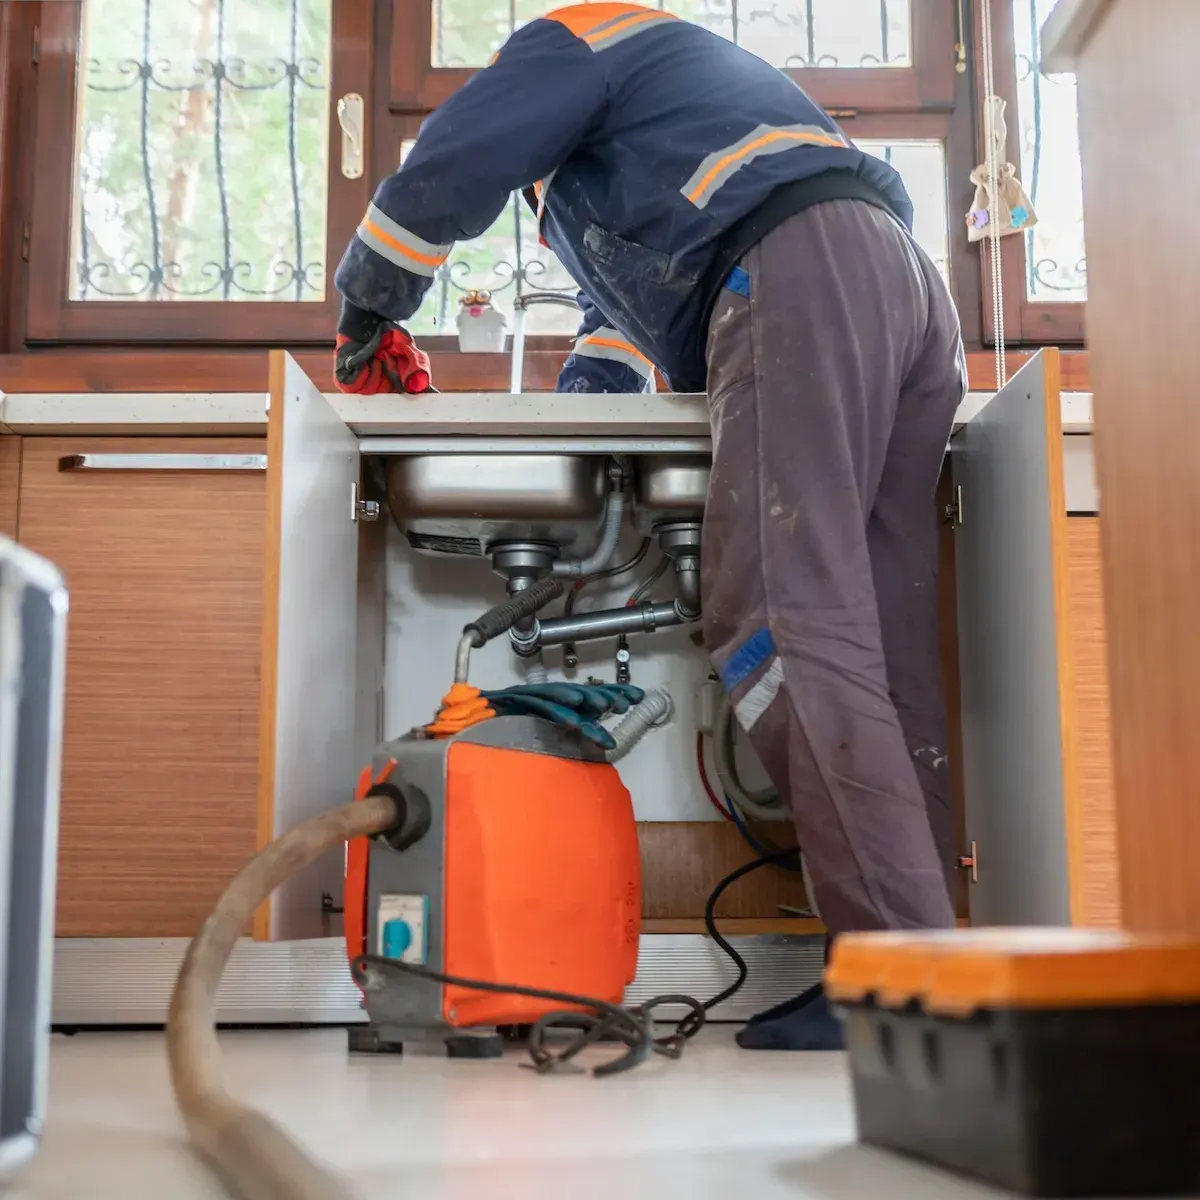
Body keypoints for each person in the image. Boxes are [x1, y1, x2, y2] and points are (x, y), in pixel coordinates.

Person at [333, 1, 966, 1051]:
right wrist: (568, 418)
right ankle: (937, 973)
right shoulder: (657, 142)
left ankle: (892, 982)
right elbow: (617, 342)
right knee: (882, 651)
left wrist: (371, 302)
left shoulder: (570, 40)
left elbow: (456, 155)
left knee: (784, 623)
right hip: (896, 285)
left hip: (798, 273)